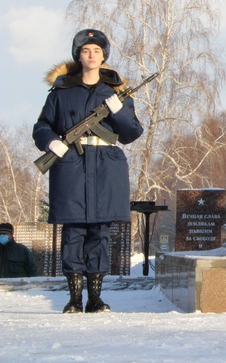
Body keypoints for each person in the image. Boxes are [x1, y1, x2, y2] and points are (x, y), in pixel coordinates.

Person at [32, 29, 144, 313]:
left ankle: (95, 299)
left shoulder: (116, 93)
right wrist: (51, 142)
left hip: (106, 167)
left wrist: (119, 111)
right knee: (73, 234)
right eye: (85, 50)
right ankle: (74, 298)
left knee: (100, 234)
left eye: (96, 50)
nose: (91, 55)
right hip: (72, 167)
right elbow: (42, 125)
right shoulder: (61, 92)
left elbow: (131, 133)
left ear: (104, 55)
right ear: (78, 56)